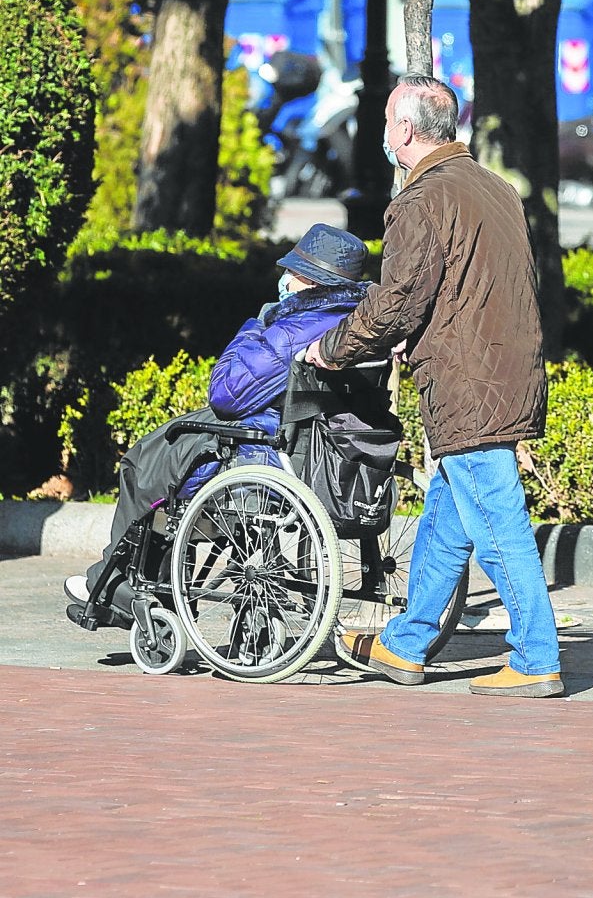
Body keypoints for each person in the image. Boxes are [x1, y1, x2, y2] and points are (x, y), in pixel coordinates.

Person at [305, 74, 563, 698]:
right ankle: (406, 643)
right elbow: (466, 291)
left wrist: (333, 349)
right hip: (506, 372)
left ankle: (535, 655)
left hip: (468, 386)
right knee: (446, 518)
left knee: (499, 525)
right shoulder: (496, 189)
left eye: (390, 120)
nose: (386, 131)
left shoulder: (422, 200)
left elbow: (398, 301)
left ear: (407, 132)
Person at [63, 224, 371, 622]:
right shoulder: (360, 320)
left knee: (146, 462)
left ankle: (120, 584)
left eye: (292, 273)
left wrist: (256, 326)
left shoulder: (295, 328)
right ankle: (141, 585)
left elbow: (226, 394)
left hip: (267, 448)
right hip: (320, 446)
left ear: (310, 282)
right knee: (169, 453)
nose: (284, 280)